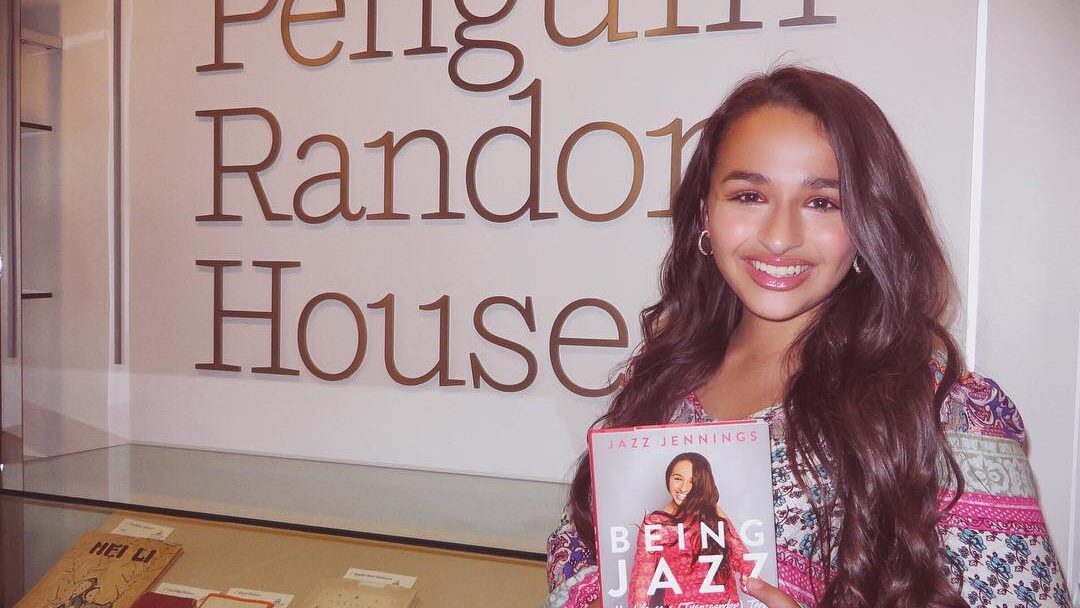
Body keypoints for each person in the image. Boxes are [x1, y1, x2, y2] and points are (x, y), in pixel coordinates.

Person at [543, 66, 1072, 608]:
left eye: (822, 202)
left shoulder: (943, 413)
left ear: (868, 223)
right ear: (705, 211)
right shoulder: (655, 383)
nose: (779, 237)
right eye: (749, 195)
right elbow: (575, 569)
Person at [628, 452, 753, 607]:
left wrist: (752, 582)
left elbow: (743, 558)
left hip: (723, 603)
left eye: (692, 482)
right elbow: (642, 577)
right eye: (678, 478)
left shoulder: (713, 513)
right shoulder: (654, 523)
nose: (684, 488)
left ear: (701, 485)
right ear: (669, 478)